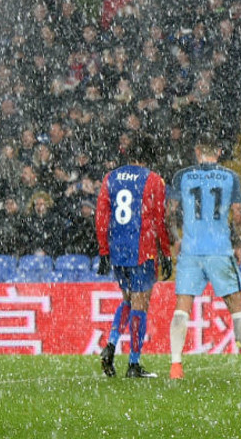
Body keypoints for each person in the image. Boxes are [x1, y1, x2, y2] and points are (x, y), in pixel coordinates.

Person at [167, 136, 241, 380]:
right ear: (219, 152)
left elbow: (169, 213)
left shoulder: (182, 176)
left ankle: (176, 366)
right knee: (237, 308)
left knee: (182, 308)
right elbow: (237, 216)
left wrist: (175, 239)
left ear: (197, 150)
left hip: (191, 250)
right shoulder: (229, 177)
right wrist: (240, 242)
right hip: (219, 251)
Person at [95, 134, 172, 379]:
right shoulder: (153, 180)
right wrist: (166, 254)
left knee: (127, 299)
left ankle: (110, 344)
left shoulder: (111, 177)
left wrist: (104, 251)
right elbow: (160, 220)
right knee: (141, 304)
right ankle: (134, 364)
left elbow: (101, 217)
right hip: (143, 248)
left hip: (118, 249)